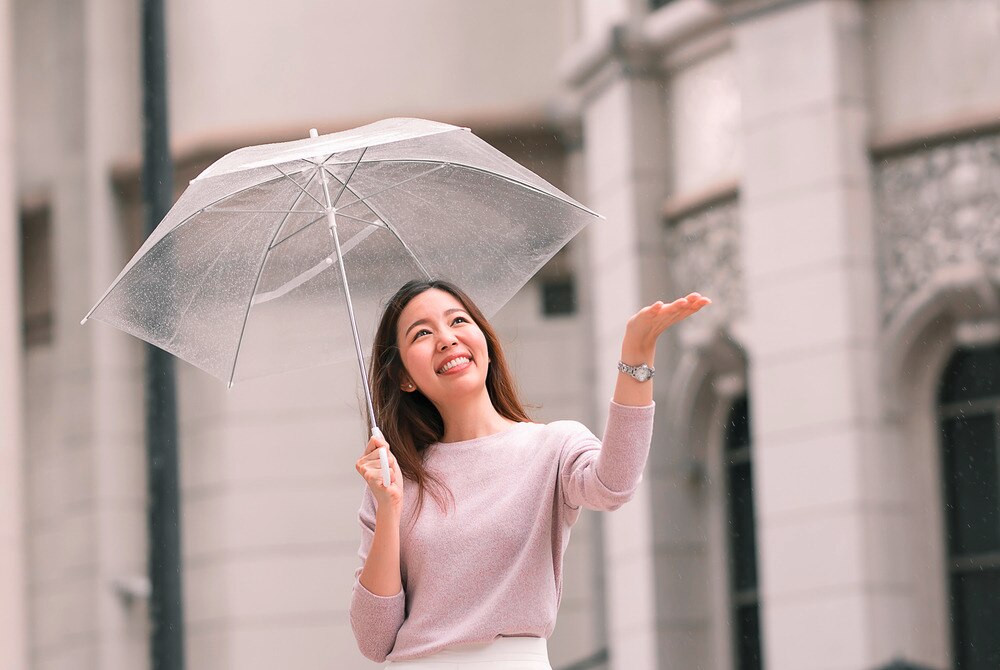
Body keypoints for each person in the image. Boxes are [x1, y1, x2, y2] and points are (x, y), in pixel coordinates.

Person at [349, 279, 711, 669]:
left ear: (484, 343)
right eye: (422, 332)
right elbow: (374, 640)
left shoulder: (552, 446)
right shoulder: (395, 481)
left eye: (458, 321)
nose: (446, 338)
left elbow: (614, 485)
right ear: (404, 377)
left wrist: (637, 357)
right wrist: (388, 509)